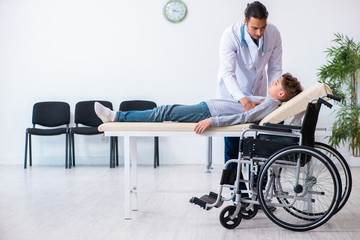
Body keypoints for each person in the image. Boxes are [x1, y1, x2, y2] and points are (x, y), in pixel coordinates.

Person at [217, 1, 283, 197]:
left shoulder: (273, 33)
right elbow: (228, 73)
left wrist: (274, 99)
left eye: (262, 27)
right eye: (254, 28)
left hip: (260, 92)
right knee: (233, 145)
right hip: (232, 95)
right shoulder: (231, 34)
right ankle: (236, 191)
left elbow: (275, 69)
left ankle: (258, 190)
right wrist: (242, 99)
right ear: (245, 22)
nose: (259, 32)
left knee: (258, 144)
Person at [95, 73, 302, 135]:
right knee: (166, 111)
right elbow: (248, 110)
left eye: (276, 83)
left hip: (208, 112)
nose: (272, 83)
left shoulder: (270, 103)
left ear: (281, 93)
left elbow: (244, 117)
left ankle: (116, 116)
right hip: (208, 108)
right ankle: (117, 115)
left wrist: (212, 120)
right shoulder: (269, 102)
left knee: (164, 112)